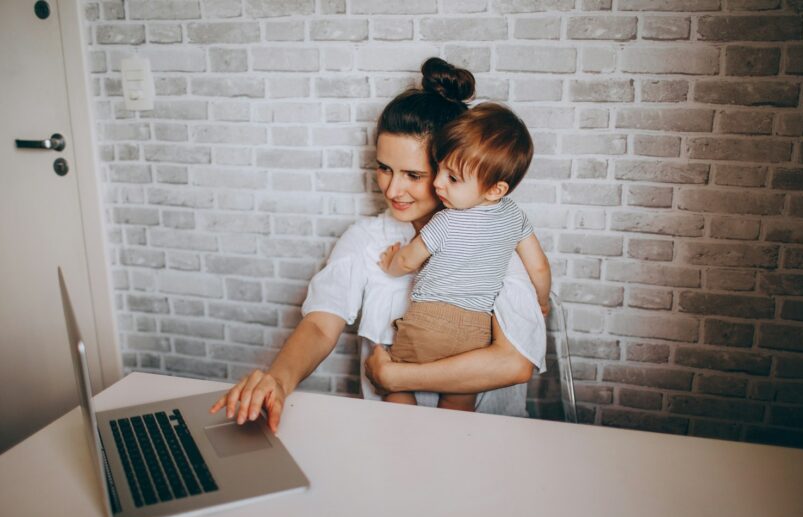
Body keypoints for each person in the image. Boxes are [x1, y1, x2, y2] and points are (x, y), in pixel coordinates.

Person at [209, 58, 548, 433]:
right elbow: (321, 325)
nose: (392, 189)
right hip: (392, 442)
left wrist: (396, 378)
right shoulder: (368, 238)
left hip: (489, 444)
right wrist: (279, 379)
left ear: (452, 169)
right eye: (384, 168)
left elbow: (514, 363)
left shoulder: (492, 243)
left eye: (413, 175)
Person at [378, 103, 551, 411]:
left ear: (496, 189)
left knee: (395, 382)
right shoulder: (515, 217)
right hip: (475, 330)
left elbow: (407, 261)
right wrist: (542, 300)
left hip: (426, 323)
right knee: (459, 397)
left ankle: (401, 430)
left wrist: (390, 264)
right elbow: (538, 266)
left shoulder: (444, 222)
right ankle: (451, 447)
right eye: (440, 169)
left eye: (453, 178)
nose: (438, 182)